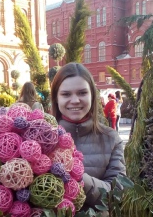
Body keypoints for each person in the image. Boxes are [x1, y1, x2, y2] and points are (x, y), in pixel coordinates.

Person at [50, 62, 126, 212]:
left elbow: (117, 194)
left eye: (82, 93)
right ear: (56, 98)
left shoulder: (110, 139)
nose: (75, 100)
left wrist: (76, 176)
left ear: (92, 95)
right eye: (66, 94)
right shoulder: (41, 138)